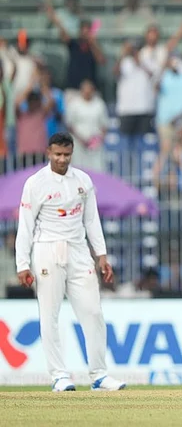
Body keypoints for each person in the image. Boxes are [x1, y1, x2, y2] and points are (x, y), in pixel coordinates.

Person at [15, 132, 125, 392]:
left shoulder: (83, 180)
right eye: (57, 154)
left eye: (66, 155)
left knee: (94, 312)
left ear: (72, 153)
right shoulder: (35, 183)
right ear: (48, 152)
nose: (62, 159)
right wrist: (22, 264)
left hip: (78, 250)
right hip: (47, 250)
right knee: (49, 315)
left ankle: (99, 375)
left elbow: (91, 221)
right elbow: (26, 225)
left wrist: (101, 256)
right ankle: (59, 376)